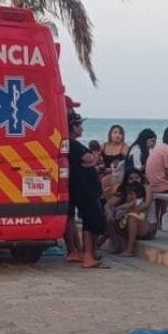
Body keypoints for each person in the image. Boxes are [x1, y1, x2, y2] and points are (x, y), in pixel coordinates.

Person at [67, 112, 109, 269]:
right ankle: (88, 256)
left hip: (85, 189)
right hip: (84, 190)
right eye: (79, 126)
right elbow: (89, 159)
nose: (82, 129)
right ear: (73, 127)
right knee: (92, 221)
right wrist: (93, 159)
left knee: (92, 221)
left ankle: (88, 254)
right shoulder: (73, 144)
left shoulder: (72, 144)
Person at [114, 181, 158, 257]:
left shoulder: (140, 201)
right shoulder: (128, 200)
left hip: (147, 229)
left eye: (131, 195)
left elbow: (133, 205)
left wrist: (124, 207)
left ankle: (130, 249)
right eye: (129, 194)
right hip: (134, 228)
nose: (130, 196)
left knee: (132, 217)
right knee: (113, 220)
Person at [145, 126, 168, 228]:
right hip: (160, 186)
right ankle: (165, 221)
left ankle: (158, 221)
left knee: (167, 186)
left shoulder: (158, 148)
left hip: (151, 184)